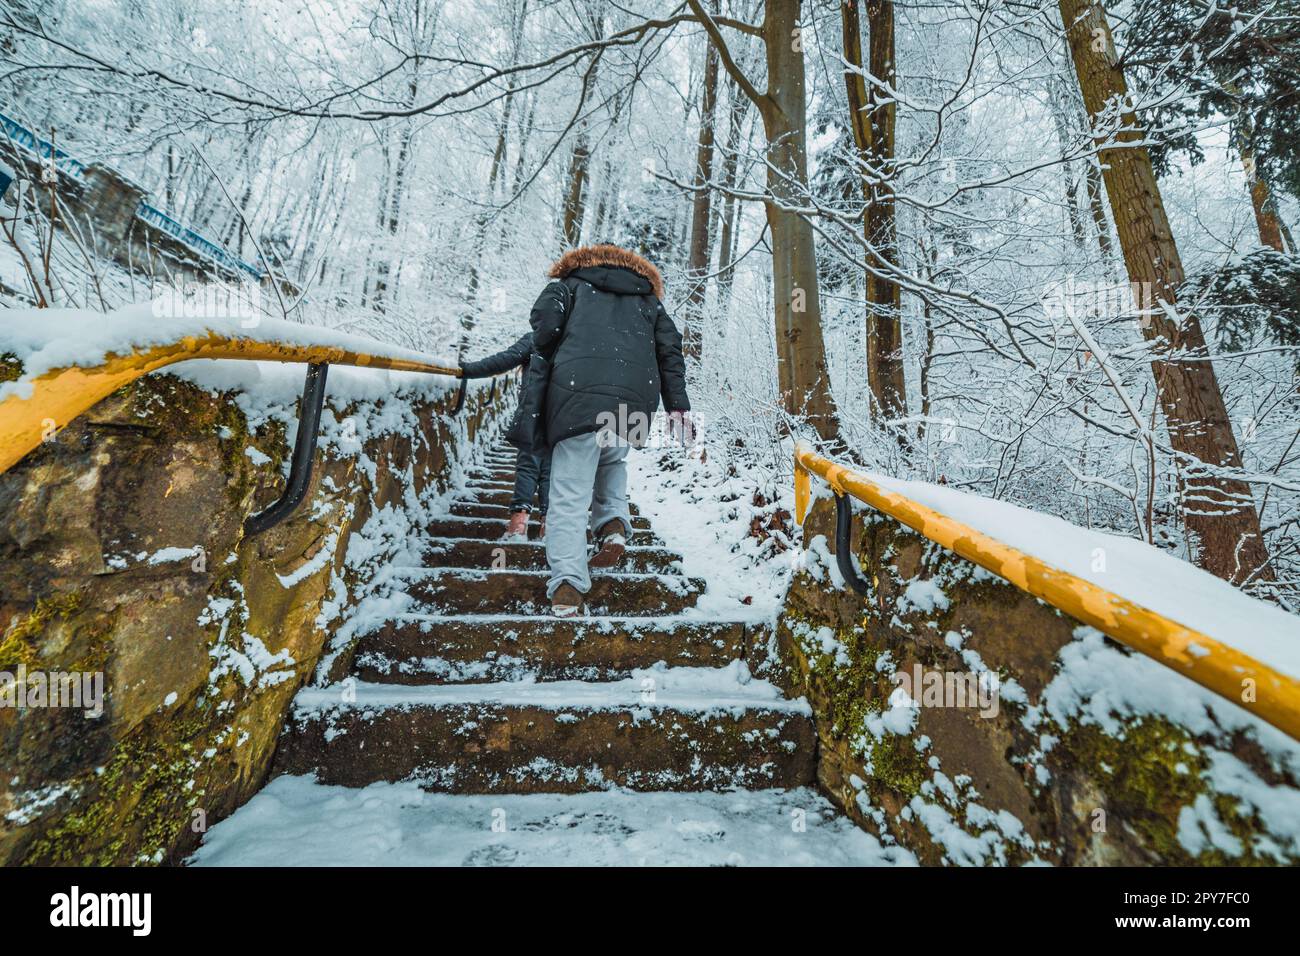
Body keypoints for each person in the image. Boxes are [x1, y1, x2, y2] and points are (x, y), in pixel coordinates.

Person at [508, 243, 691, 617]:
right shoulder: (649, 300)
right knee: (611, 463)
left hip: (576, 395)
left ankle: (567, 584)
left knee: (569, 493)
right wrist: (678, 406)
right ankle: (612, 525)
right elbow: (671, 349)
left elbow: (543, 325)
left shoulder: (568, 285)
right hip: (632, 400)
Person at [459, 332, 550, 538]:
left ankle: (519, 521)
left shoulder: (537, 337)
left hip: (533, 410)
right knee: (552, 469)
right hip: (562, 413)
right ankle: (548, 524)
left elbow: (504, 360)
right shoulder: (574, 337)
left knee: (528, 464)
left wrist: (467, 370)